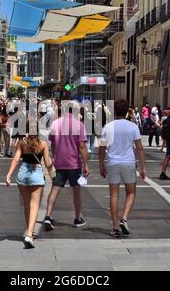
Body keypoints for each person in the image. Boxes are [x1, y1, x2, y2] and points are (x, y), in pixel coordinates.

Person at [99, 99, 147, 237]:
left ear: (114, 111)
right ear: (127, 111)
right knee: (131, 193)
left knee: (114, 195)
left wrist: (101, 165)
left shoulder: (107, 127)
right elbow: (139, 147)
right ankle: (124, 218)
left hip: (112, 162)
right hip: (128, 162)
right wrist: (143, 167)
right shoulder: (133, 127)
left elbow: (102, 149)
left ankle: (114, 227)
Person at [5, 122, 54, 249]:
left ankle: (29, 231)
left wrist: (9, 175)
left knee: (27, 205)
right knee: (34, 206)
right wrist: (53, 175)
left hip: (23, 173)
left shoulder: (22, 142)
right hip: (36, 174)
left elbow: (16, 159)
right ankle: (29, 235)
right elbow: (48, 163)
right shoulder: (43, 144)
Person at [44, 103, 90, 230]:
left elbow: (52, 143)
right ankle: (77, 218)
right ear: (75, 111)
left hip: (59, 162)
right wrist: (86, 165)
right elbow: (82, 147)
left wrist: (55, 156)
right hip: (73, 164)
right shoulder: (79, 125)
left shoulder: (55, 124)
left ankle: (48, 215)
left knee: (55, 189)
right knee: (76, 192)